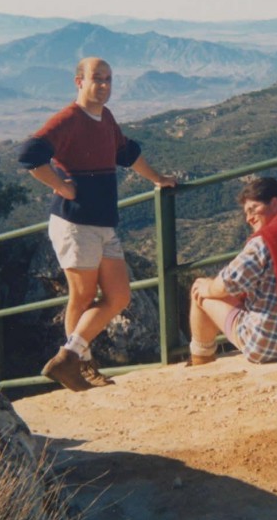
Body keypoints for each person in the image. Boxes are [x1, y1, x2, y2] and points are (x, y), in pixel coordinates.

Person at [18, 57, 176, 391]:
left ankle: (68, 357)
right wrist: (61, 186)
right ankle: (80, 369)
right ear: (79, 82)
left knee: (119, 296)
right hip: (75, 223)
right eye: (96, 79)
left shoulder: (105, 118)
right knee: (83, 296)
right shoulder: (68, 119)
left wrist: (158, 178)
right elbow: (29, 154)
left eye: (108, 79)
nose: (103, 85)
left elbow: (127, 154)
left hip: (103, 223)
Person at [188, 177, 277, 366]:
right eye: (246, 213)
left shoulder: (264, 241)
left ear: (274, 204)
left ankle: (200, 359)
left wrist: (208, 287)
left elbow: (229, 282)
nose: (248, 218)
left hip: (266, 344)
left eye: (252, 209)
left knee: (199, 290)